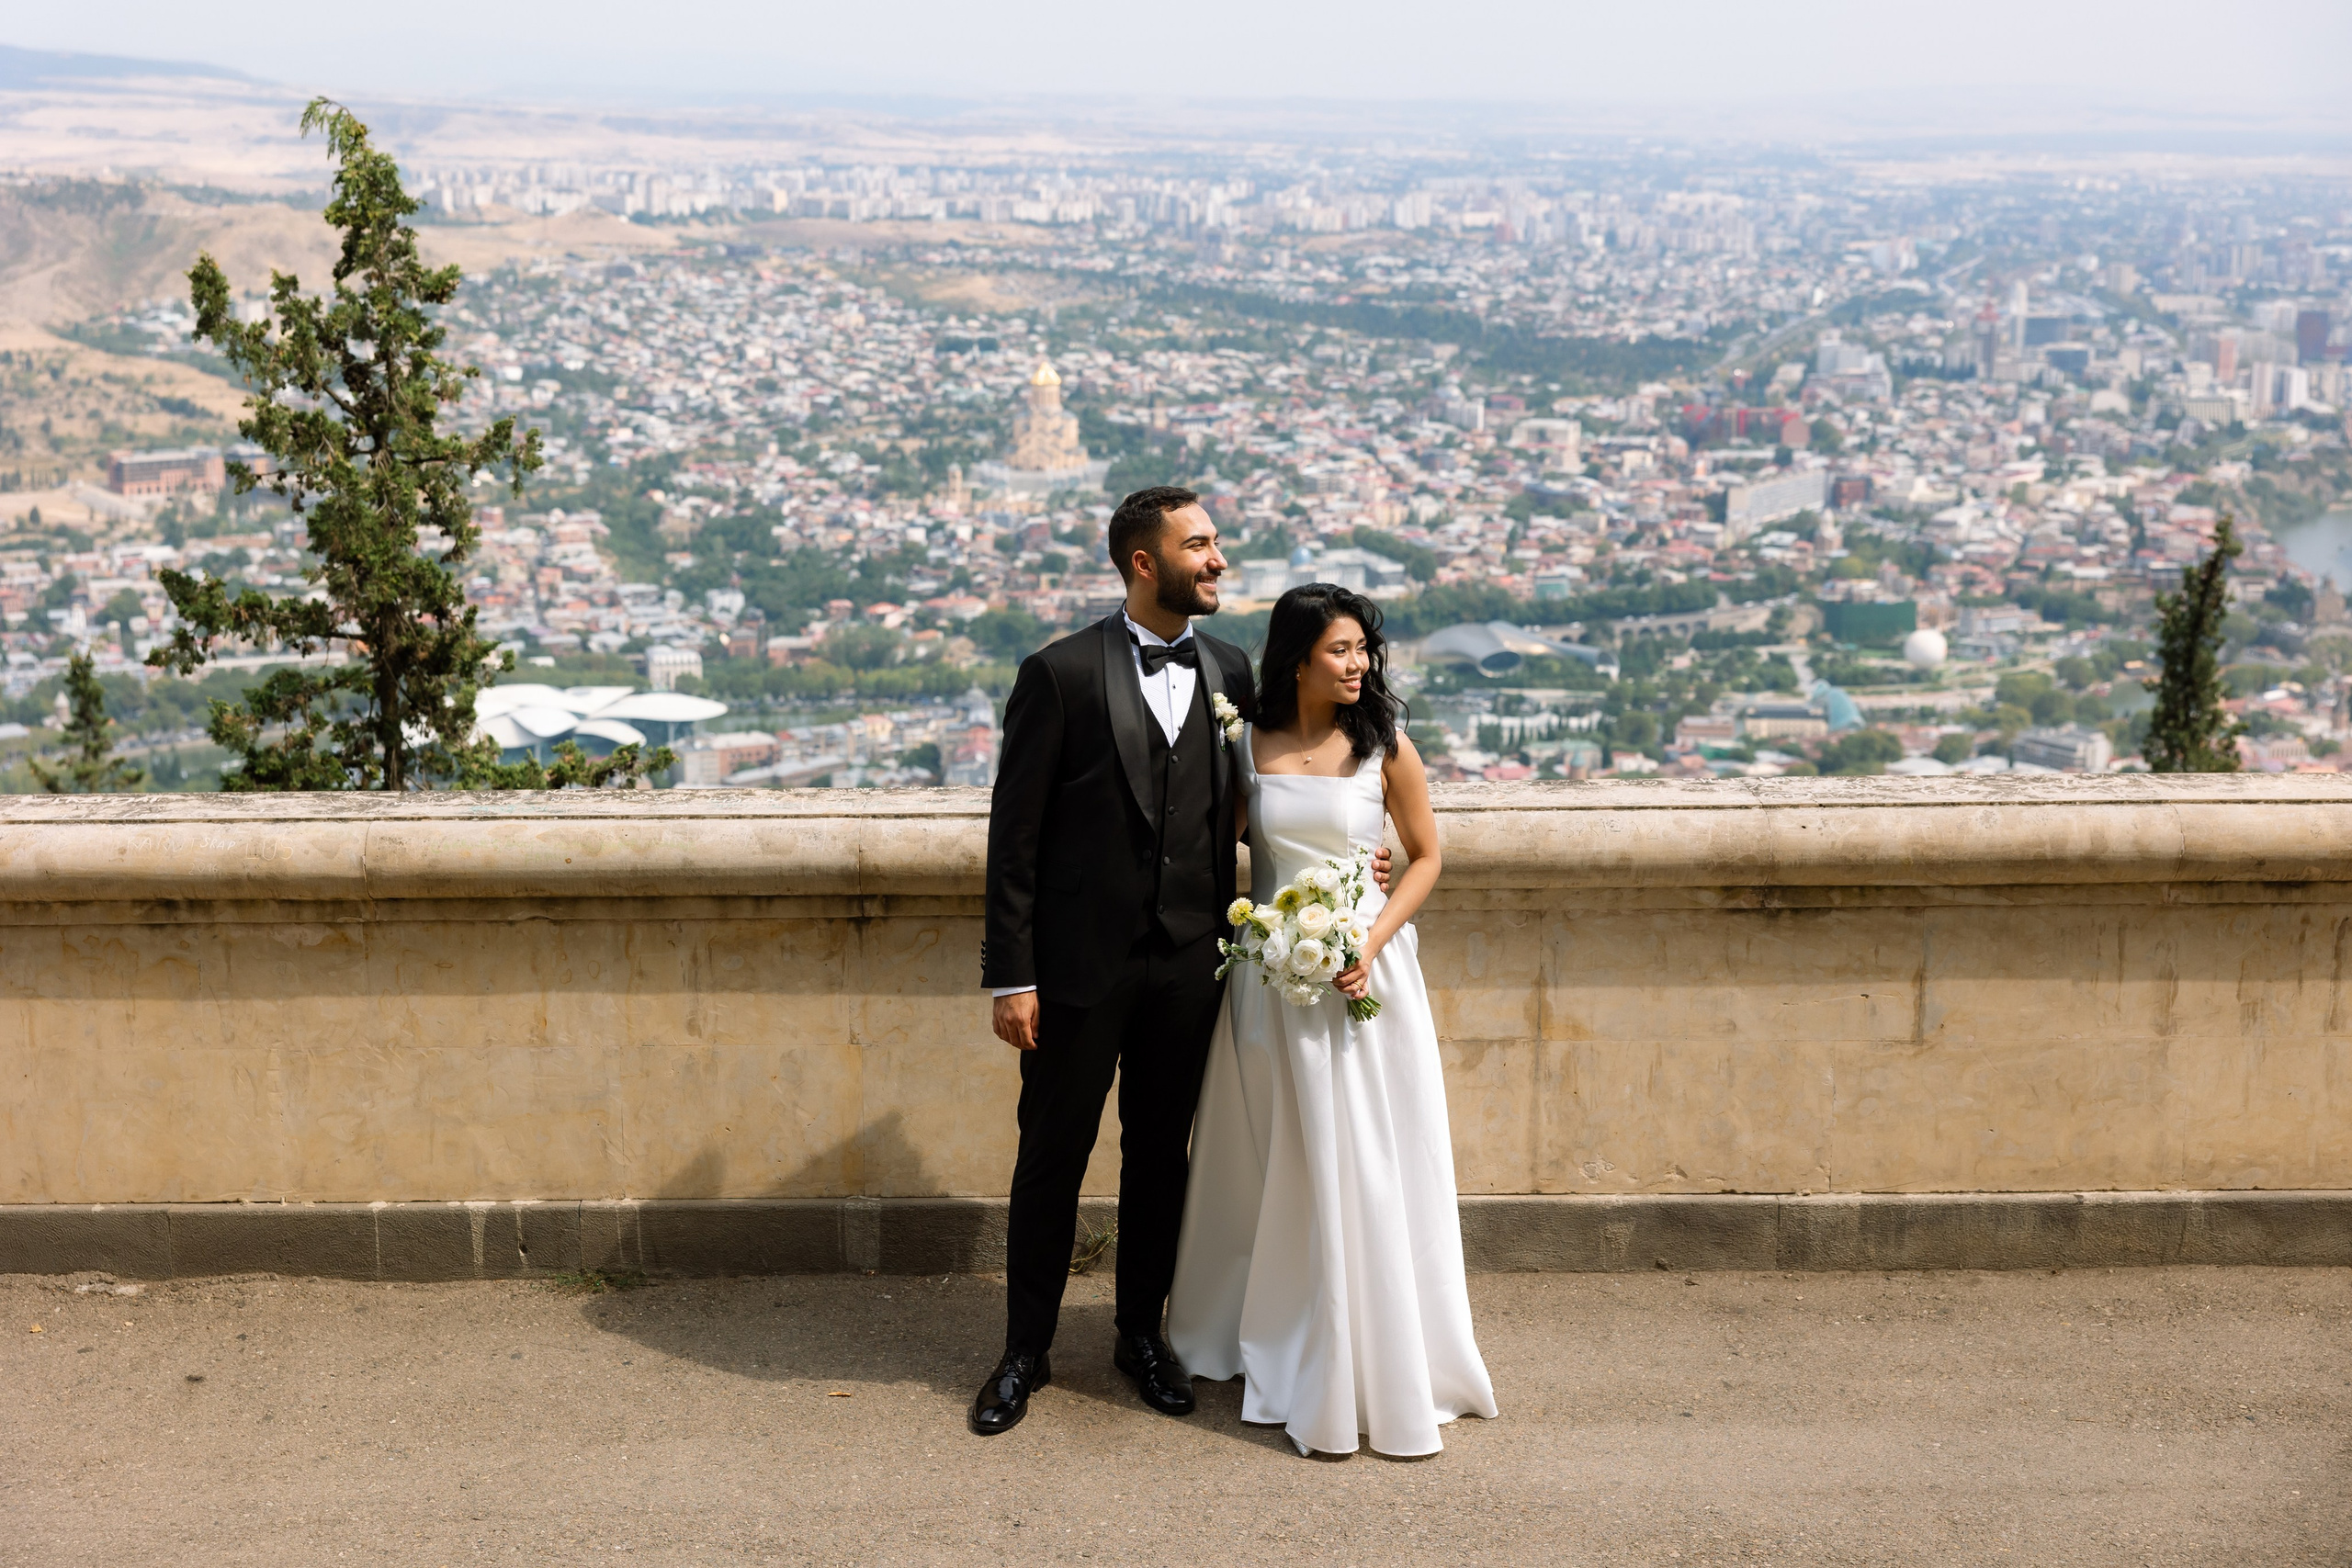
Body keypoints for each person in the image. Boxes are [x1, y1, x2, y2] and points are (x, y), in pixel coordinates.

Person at [1167, 582, 1498, 1458]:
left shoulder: (1384, 742)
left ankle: (1375, 1342)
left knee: (1369, 1158)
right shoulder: (1247, 742)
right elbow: (1219, 843)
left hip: (1363, 979)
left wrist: (1369, 940)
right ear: (1298, 657)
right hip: (1267, 982)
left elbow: (1426, 857)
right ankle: (1266, 1324)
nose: (1358, 665)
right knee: (1273, 1156)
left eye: (1363, 650)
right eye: (1340, 650)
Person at [971, 485, 1253, 1437]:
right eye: (1201, 545)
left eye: (1216, 543)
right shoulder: (1059, 675)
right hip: (1075, 973)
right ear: (1145, 562)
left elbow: (1254, 804)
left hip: (1188, 969)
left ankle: (1142, 1337)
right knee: (1050, 1158)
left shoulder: (1230, 670)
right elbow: (1014, 840)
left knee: (1161, 1160)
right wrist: (1012, 976)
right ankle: (1024, 1351)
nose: (1218, 560)